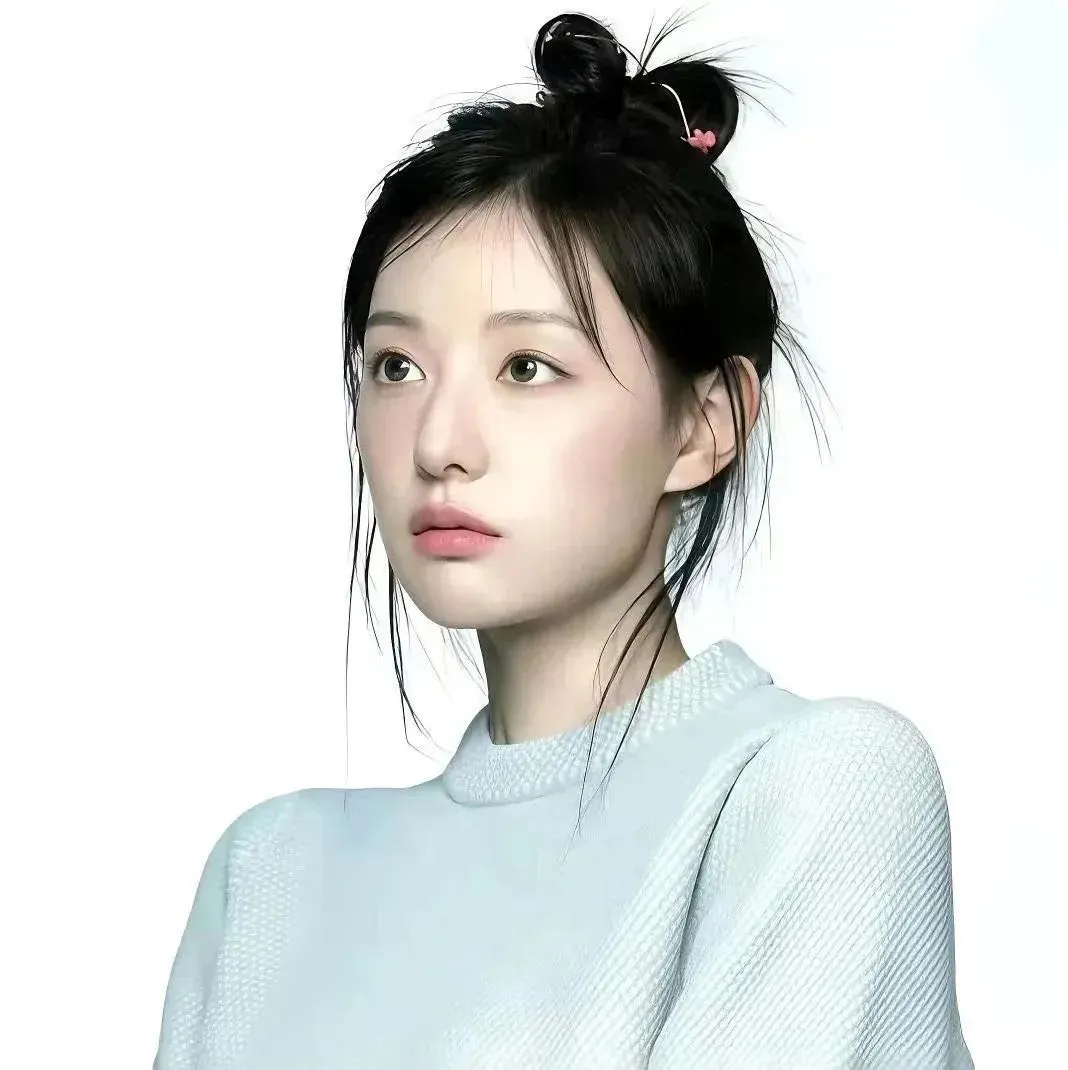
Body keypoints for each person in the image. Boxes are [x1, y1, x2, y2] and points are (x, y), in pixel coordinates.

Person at [153, 12, 973, 1069]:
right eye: (397, 367)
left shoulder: (813, 788)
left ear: (706, 422)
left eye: (527, 368)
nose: (439, 443)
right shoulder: (269, 873)